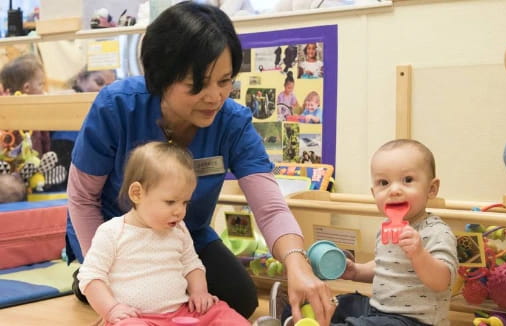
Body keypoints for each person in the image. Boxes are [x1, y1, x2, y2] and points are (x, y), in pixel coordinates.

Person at [66, 2, 335, 325]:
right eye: (198, 84)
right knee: (130, 299)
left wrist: (297, 264)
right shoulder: (117, 108)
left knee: (240, 298)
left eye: (225, 81)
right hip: (116, 237)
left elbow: (270, 208)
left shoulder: (232, 123)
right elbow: (82, 199)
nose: (215, 97)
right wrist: (104, 272)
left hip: (183, 234)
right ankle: (87, 278)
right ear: (161, 76)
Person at [77, 141, 249, 326]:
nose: (180, 211)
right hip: (136, 318)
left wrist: (200, 292)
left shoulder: (179, 230)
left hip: (183, 312)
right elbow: (91, 277)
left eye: (185, 203)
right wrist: (111, 309)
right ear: (137, 193)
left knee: (222, 312)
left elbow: (192, 264)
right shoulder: (112, 232)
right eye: (170, 202)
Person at [330, 139, 458, 325]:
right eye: (384, 182)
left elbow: (442, 281)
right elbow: (386, 266)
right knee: (337, 303)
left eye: (407, 180)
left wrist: (419, 254)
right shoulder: (386, 228)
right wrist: (357, 271)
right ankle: (301, 315)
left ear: (431, 189)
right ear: (374, 194)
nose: (395, 190)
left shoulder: (436, 231)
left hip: (416, 320)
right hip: (379, 310)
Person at [49, 68, 117, 191]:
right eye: (99, 82)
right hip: (65, 149)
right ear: (81, 79)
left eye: (110, 86)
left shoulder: (109, 104)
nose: (104, 90)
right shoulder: (67, 96)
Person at [0, 54, 50, 156]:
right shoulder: (13, 115)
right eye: (41, 84)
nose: (44, 91)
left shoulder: (7, 111)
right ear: (27, 88)